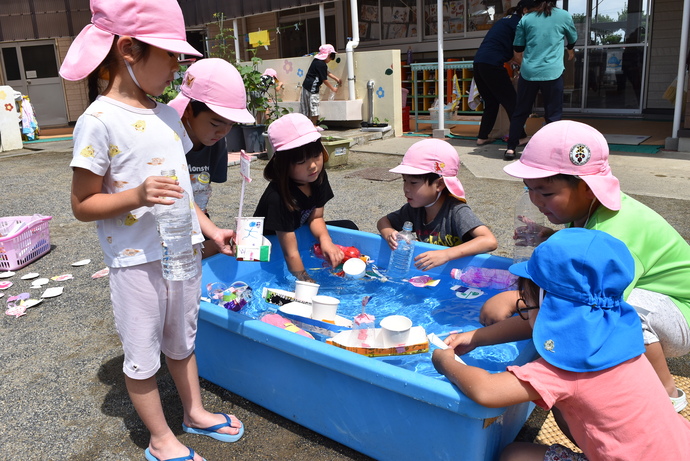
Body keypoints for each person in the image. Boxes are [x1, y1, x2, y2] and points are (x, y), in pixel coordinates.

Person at [61, 2, 243, 460]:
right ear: (128, 49)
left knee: (182, 342)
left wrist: (210, 230)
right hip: (134, 264)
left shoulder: (166, 118)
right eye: (169, 55)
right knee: (143, 355)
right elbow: (83, 204)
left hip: (180, 253)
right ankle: (161, 439)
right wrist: (137, 196)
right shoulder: (98, 121)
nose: (177, 67)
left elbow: (180, 192)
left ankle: (194, 412)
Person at [480, 120, 690, 412]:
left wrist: (516, 301)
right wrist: (551, 237)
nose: (535, 200)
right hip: (659, 299)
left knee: (618, 313)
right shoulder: (586, 210)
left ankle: (667, 393)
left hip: (680, 312)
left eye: (546, 192)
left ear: (590, 188)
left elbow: (590, 305)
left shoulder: (617, 232)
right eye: (529, 189)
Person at [434, 228, 690, 461]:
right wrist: (477, 337)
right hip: (677, 449)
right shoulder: (617, 322)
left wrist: (445, 362)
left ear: (549, 307)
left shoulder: (568, 367)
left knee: (515, 456)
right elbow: (533, 322)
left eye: (526, 303)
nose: (524, 310)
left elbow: (486, 391)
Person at [254, 113, 357, 283]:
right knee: (276, 277)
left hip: (297, 230)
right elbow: (290, 252)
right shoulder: (278, 197)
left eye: (316, 156)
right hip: (272, 241)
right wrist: (304, 279)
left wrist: (326, 241)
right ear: (283, 164)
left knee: (349, 226)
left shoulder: (318, 177)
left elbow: (316, 217)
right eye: (301, 162)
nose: (312, 166)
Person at [168, 58, 255, 257]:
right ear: (189, 110)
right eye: (216, 124)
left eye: (231, 124)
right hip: (167, 226)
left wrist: (211, 231)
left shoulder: (215, 142)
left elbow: (200, 194)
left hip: (199, 221)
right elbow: (176, 195)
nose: (223, 132)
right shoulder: (167, 139)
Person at [377, 139, 498, 271]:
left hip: (459, 272)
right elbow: (383, 221)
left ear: (439, 184)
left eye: (413, 183)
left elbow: (489, 241)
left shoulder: (456, 211)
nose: (406, 188)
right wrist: (390, 233)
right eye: (404, 181)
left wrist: (446, 255)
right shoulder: (414, 209)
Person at [504, 1, 577, 160]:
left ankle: (510, 148)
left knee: (521, 111)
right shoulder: (563, 16)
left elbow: (518, 47)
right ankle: (551, 152)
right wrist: (570, 49)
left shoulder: (527, 18)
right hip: (552, 72)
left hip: (529, 72)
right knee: (553, 114)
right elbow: (572, 39)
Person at [472, 1, 530, 147]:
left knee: (491, 103)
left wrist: (511, 61)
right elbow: (518, 53)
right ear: (525, 11)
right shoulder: (519, 23)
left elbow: (502, 47)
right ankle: (520, 137)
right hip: (492, 65)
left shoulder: (504, 21)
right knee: (512, 102)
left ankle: (482, 137)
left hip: (479, 63)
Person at [299, 44, 342, 127]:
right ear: (328, 55)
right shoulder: (322, 64)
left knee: (304, 108)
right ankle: (313, 125)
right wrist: (333, 88)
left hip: (305, 86)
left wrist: (336, 79)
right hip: (313, 88)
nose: (331, 60)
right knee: (314, 108)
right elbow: (324, 80)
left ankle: (304, 126)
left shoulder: (316, 61)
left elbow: (326, 72)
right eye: (331, 57)